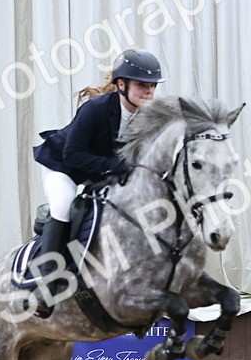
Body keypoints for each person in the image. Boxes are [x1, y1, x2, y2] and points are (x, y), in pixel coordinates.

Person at [29, 47, 164, 316]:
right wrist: (114, 166)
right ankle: (45, 285)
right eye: (142, 85)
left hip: (99, 173)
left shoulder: (149, 117)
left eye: (152, 85)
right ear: (121, 84)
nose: (149, 91)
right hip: (63, 167)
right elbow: (73, 154)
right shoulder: (96, 109)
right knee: (64, 204)